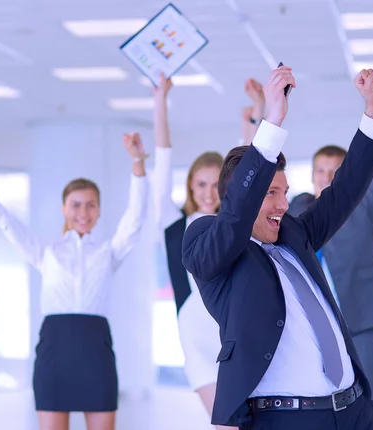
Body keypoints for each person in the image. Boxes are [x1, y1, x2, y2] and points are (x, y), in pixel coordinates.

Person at [182, 66, 373, 430]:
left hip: (356, 413)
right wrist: (273, 120)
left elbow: (344, 191)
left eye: (285, 192)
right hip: (288, 419)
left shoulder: (295, 235)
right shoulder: (207, 240)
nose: (283, 204)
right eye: (270, 193)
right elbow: (234, 218)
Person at [0, 134, 149, 430]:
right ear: (64, 209)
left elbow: (136, 217)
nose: (83, 213)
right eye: (76, 205)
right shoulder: (46, 251)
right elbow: (6, 222)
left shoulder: (109, 252)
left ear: (98, 210)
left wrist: (137, 160)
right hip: (54, 354)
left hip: (96, 353)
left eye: (90, 205)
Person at [287, 76, 373, 426]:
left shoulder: (364, 209)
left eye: (333, 171)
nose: (324, 177)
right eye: (319, 171)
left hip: (360, 318)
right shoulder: (300, 210)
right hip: (312, 326)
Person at [151, 74, 232, 430]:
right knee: (224, 422)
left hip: (233, 328)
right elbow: (163, 160)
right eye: (200, 183)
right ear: (190, 185)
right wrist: (160, 102)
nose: (207, 192)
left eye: (216, 184)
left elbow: (254, 171)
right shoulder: (173, 222)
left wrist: (259, 114)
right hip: (195, 332)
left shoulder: (235, 224)